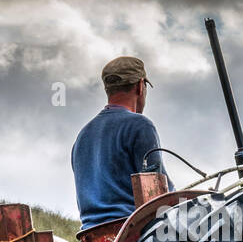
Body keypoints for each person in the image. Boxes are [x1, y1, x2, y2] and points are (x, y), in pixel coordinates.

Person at [71, 55, 169, 232]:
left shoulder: (82, 136)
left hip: (92, 236)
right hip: (132, 233)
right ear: (140, 86)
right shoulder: (140, 125)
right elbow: (157, 194)